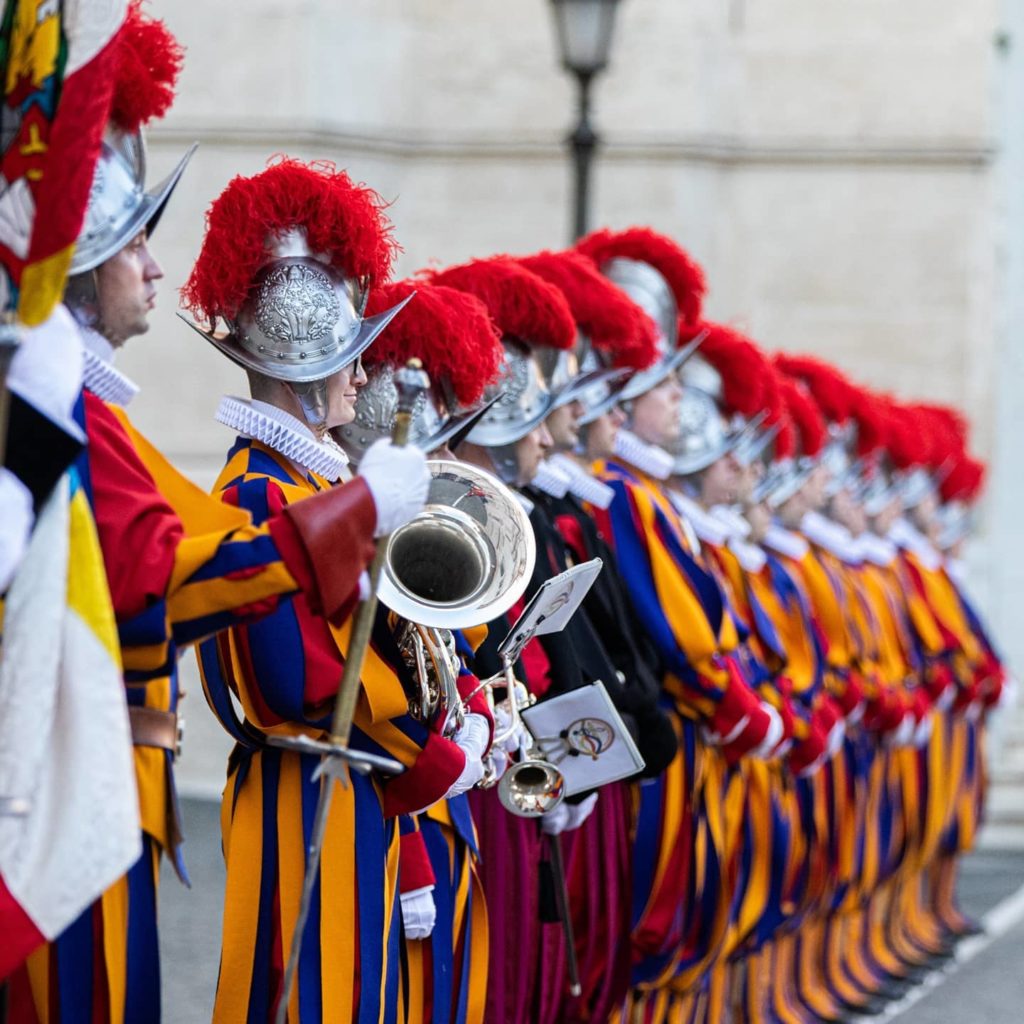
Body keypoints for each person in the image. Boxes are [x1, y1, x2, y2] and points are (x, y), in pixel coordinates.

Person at [9, 16, 429, 1024]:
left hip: (114, 781)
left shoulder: (89, 410)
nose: (154, 266)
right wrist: (362, 509)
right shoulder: (72, 412)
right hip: (82, 780)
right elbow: (177, 581)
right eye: (132, 242)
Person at [184, 161, 500, 1024]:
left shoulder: (304, 482)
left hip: (354, 782)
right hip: (309, 785)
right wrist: (432, 748)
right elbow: (294, 679)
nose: (362, 380)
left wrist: (455, 716)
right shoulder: (259, 490)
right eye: (349, 358)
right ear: (304, 363)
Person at [336, 276, 508, 1024]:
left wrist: (478, 712)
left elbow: (437, 654)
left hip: (429, 794)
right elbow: (341, 683)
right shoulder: (309, 498)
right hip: (379, 798)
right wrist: (444, 757)